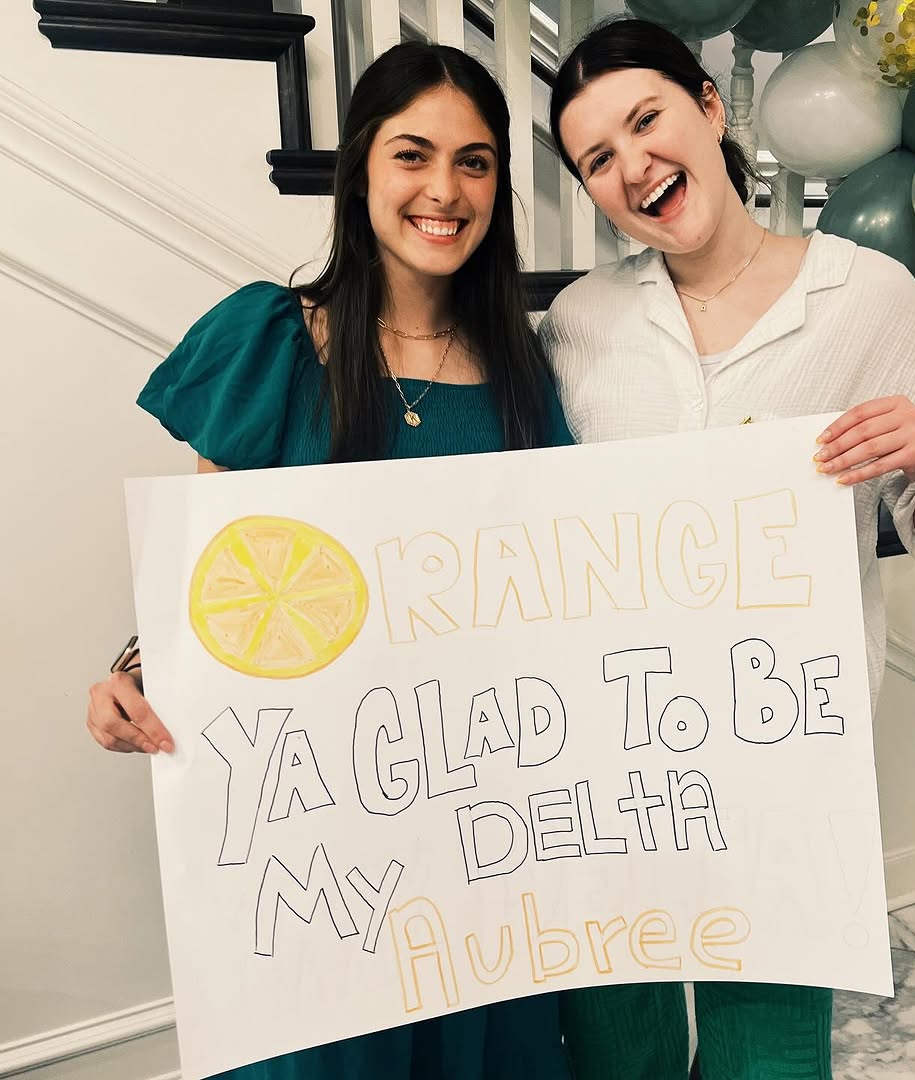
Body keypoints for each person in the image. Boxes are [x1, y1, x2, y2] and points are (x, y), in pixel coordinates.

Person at [84, 40, 572, 1080]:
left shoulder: (528, 372)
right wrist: (133, 670)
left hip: (479, 834)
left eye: (476, 162)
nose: (445, 190)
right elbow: (222, 578)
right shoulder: (269, 338)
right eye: (413, 154)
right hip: (317, 846)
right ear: (359, 169)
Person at [540, 17, 915, 1080]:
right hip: (612, 759)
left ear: (710, 107)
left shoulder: (868, 296)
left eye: (647, 120)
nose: (633, 166)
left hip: (784, 764)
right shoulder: (580, 320)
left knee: (769, 1053)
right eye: (598, 158)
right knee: (617, 1043)